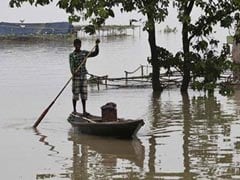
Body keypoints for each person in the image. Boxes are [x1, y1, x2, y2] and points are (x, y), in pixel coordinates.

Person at [69, 38, 100, 116]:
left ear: (80, 45)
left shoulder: (84, 53)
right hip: (76, 77)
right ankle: (74, 110)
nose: (78, 46)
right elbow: (71, 65)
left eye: (79, 45)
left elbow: (95, 53)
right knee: (75, 94)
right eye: (76, 45)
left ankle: (84, 111)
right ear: (74, 45)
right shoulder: (72, 55)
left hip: (83, 76)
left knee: (84, 94)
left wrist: (97, 45)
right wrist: (73, 72)